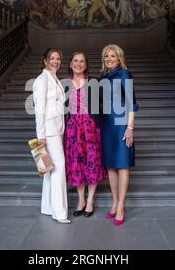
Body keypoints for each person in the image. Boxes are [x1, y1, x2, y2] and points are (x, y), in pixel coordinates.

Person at [64, 52, 107, 218]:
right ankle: (81, 200)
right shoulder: (64, 84)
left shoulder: (94, 82)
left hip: (90, 129)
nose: (79, 64)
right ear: (70, 64)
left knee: (92, 162)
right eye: (75, 61)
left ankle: (90, 201)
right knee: (76, 163)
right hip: (72, 130)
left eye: (82, 61)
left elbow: (104, 105)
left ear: (86, 65)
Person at [100, 44, 138, 226]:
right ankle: (114, 201)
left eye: (112, 56)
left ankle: (121, 205)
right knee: (111, 166)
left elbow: (131, 103)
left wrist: (130, 127)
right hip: (107, 125)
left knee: (122, 165)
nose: (109, 59)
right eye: (106, 56)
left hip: (122, 124)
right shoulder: (103, 76)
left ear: (119, 58)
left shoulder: (124, 74)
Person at [32, 48, 71, 224]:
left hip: (56, 129)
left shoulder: (54, 78)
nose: (55, 61)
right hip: (48, 131)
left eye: (58, 58)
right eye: (52, 58)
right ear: (45, 60)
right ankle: (60, 213)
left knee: (49, 169)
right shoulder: (41, 80)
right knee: (58, 168)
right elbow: (39, 109)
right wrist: (41, 135)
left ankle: (47, 207)